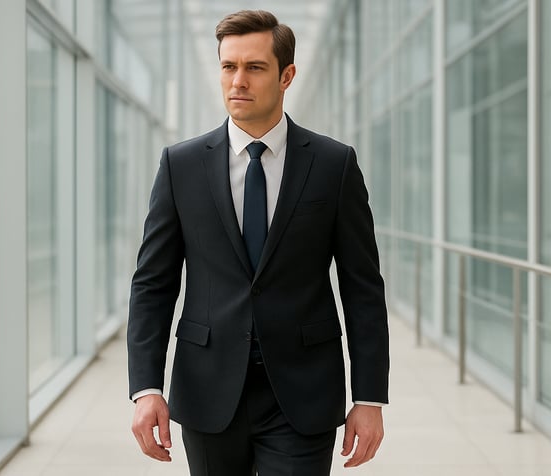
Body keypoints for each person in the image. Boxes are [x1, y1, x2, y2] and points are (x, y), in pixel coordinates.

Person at [128, 9, 389, 476]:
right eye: (229, 66)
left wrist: (369, 397)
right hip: (208, 388)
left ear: (287, 75)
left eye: (255, 67)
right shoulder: (180, 165)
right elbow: (153, 283)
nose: (238, 81)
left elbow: (362, 287)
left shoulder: (334, 165)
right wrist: (146, 387)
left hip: (303, 393)